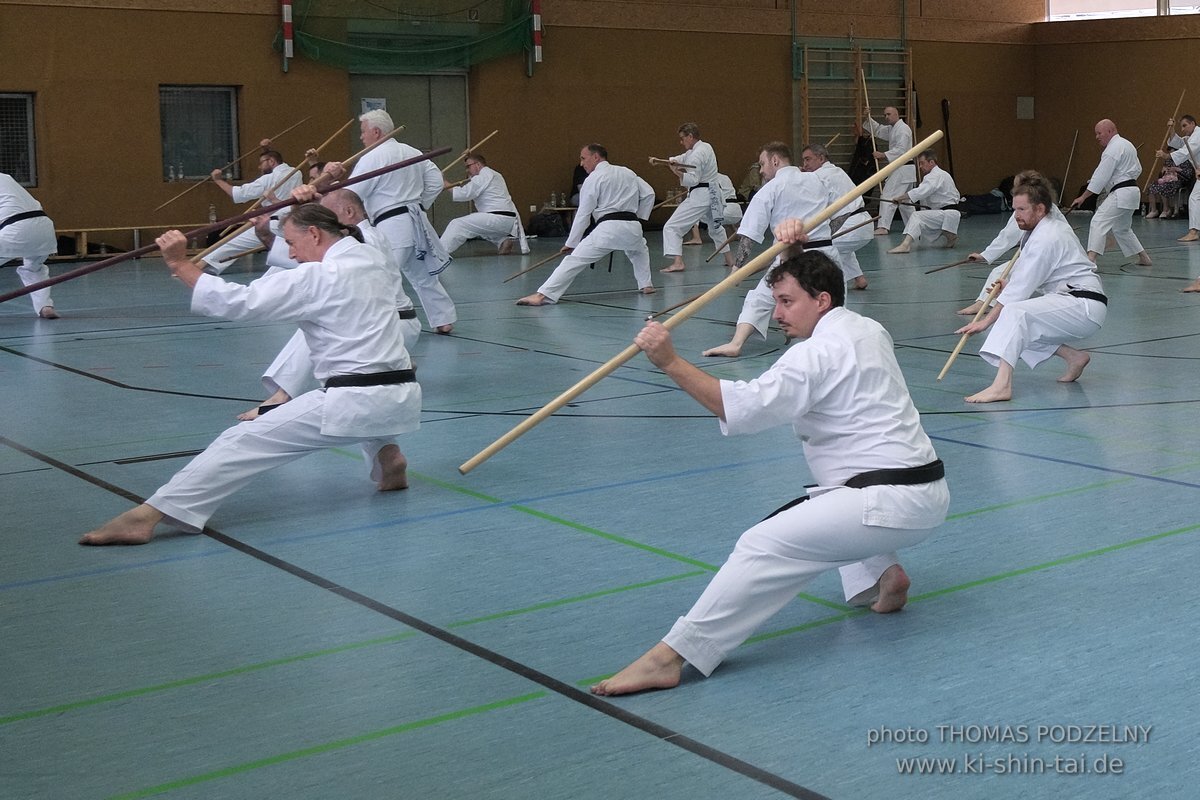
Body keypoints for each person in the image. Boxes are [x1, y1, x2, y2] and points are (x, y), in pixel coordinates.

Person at [590, 250, 949, 696]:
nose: (776, 314)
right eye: (775, 301)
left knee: (762, 543)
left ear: (821, 300)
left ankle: (670, 657)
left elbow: (737, 406)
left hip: (885, 502)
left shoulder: (813, 355)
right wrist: (790, 249)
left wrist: (668, 361)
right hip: (926, 491)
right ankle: (883, 575)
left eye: (785, 301)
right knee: (829, 496)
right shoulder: (869, 329)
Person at [79, 204, 420, 546]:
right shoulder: (372, 259)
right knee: (360, 395)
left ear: (314, 234)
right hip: (401, 397)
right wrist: (305, 199)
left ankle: (147, 516)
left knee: (240, 441)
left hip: (353, 399)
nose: (290, 252)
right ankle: (387, 457)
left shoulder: (318, 278)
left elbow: (239, 302)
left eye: (290, 242)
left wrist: (180, 264)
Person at [236, 186, 422, 421]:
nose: (326, 225)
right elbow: (303, 254)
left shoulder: (366, 239)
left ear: (349, 212)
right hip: (387, 328)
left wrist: (301, 209)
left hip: (393, 325)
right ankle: (385, 443)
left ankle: (282, 396)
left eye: (329, 216)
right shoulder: (356, 240)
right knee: (355, 388)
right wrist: (292, 215)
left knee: (319, 324)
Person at [955, 175, 1106, 404]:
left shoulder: (1047, 236)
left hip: (1084, 305)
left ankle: (1002, 386)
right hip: (1071, 301)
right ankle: (1074, 357)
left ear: (1040, 208)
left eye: (1022, 209)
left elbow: (1018, 293)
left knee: (1015, 313)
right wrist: (1008, 287)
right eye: (1015, 209)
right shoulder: (1040, 228)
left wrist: (984, 322)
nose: (1016, 215)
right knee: (1023, 324)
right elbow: (1026, 282)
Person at [323, 109, 456, 334]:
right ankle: (444, 319)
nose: (361, 137)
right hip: (417, 219)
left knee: (382, 273)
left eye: (363, 131)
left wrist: (332, 185)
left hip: (393, 225)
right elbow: (435, 181)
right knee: (421, 273)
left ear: (376, 131)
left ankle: (380, 325)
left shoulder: (373, 156)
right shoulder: (413, 151)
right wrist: (419, 203)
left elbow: (352, 195)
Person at [702, 142, 837, 358]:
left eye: (762, 164)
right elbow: (840, 211)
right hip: (825, 253)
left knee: (760, 298)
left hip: (791, 258)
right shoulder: (818, 179)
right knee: (830, 303)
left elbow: (749, 234)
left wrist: (737, 268)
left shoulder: (772, 188)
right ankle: (831, 345)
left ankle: (736, 343)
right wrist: (828, 233)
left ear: (775, 161)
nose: (762, 171)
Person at [516, 143, 655, 306]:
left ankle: (542, 295)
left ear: (596, 157)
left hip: (608, 228)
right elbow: (649, 193)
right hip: (633, 226)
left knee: (574, 260)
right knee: (639, 250)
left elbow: (583, 213)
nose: (581, 163)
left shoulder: (594, 178)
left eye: (583, 158)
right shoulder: (628, 172)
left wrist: (571, 243)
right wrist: (639, 216)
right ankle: (646, 285)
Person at [958, 170, 1067, 316]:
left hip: (1049, 257)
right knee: (1007, 273)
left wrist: (984, 256)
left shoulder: (1028, 210)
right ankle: (987, 303)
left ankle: (986, 304)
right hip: (1054, 257)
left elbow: (1008, 237)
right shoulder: (1047, 206)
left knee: (1002, 273)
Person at [203, 144, 304, 274]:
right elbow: (273, 162)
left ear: (272, 161)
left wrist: (218, 180)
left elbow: (239, 194)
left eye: (261, 163)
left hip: (272, 224)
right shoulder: (297, 172)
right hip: (294, 223)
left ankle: (198, 265)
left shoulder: (267, 179)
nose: (259, 167)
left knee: (230, 244)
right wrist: (266, 150)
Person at [1069, 119, 1151, 266]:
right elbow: (1137, 169)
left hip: (1121, 193)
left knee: (1098, 221)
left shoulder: (1112, 149)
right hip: (1132, 191)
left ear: (1110, 131)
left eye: (1099, 133)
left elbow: (1101, 175)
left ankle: (1091, 259)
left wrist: (1083, 196)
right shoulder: (1127, 145)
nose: (1097, 137)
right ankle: (1144, 258)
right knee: (1122, 228)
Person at [658, 123, 727, 273]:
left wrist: (676, 172)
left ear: (690, 136)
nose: (681, 142)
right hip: (714, 194)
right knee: (716, 228)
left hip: (701, 195)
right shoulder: (704, 147)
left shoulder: (696, 154)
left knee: (672, 227)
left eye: (683, 138)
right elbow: (682, 158)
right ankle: (729, 259)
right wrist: (666, 161)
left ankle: (678, 262)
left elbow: (693, 179)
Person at [801, 142, 870, 290]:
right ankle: (859, 278)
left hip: (851, 224)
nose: (805, 164)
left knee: (821, 248)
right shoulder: (837, 171)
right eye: (804, 160)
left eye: (808, 159)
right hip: (864, 224)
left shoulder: (818, 176)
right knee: (841, 247)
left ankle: (831, 287)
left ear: (820, 158)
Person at [438, 152, 528, 256]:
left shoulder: (483, 175)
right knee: (479, 227)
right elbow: (474, 184)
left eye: (468, 166)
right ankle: (502, 241)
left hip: (497, 218)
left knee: (457, 224)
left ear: (478, 165)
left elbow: (464, 193)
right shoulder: (495, 174)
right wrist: (468, 156)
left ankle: (439, 253)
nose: (467, 170)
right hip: (508, 221)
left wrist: (443, 181)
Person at [0, 171, 59, 318]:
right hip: (44, 228)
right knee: (34, 269)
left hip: (16, 228)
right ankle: (45, 307)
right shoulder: (5, 178)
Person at [886, 150, 962, 253]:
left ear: (931, 162)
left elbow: (921, 191)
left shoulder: (935, 175)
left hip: (947, 213)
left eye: (922, 163)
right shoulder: (943, 174)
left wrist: (900, 198)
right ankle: (950, 235)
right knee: (922, 221)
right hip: (949, 214)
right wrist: (905, 200)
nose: (920, 167)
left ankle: (905, 245)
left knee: (916, 216)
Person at [863, 106, 916, 235]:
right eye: (885, 115)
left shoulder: (903, 129)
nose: (886, 117)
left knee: (888, 196)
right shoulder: (893, 129)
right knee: (904, 201)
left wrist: (883, 155)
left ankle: (883, 227)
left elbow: (901, 149)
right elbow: (879, 130)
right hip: (903, 170)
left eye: (889, 114)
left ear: (897, 114)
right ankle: (915, 225)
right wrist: (867, 117)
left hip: (902, 168)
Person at [1154, 115, 1200, 238]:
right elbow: (1178, 142)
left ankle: (1194, 231)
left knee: (1195, 198)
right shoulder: (1190, 138)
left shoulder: (1198, 134)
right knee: (1195, 198)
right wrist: (1172, 128)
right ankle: (1194, 231)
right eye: (1181, 126)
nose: (1183, 129)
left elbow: (1185, 152)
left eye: (1185, 125)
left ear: (1193, 123)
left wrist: (1166, 156)